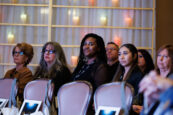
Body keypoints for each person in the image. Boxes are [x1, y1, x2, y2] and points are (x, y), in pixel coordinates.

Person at [71, 33, 108, 115]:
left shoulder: (101, 67)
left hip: (88, 108)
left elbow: (100, 91)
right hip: (74, 104)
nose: (86, 47)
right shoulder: (82, 65)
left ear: (98, 48)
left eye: (91, 44)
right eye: (85, 44)